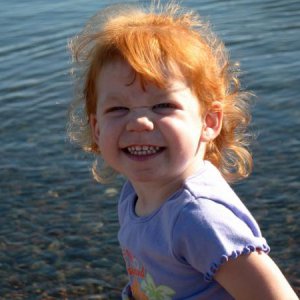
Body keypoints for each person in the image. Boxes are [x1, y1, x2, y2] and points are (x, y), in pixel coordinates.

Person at [68, 2, 298, 299]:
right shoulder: (135, 194)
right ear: (97, 128)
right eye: (118, 108)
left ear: (209, 121)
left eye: (163, 105)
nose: (139, 122)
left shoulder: (199, 218)